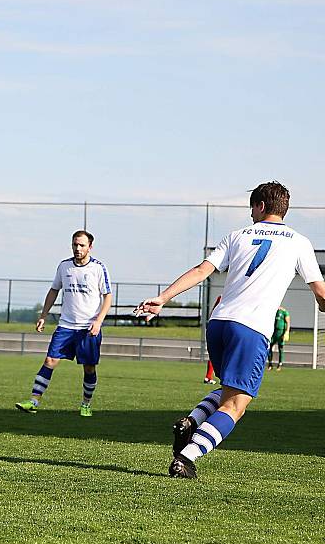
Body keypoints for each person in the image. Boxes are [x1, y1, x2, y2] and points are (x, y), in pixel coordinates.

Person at [135, 181, 325, 479]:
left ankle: (191, 421)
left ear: (260, 206)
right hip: (251, 329)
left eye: (252, 207)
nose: (251, 213)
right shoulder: (299, 242)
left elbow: (201, 271)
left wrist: (163, 298)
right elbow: (321, 293)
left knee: (227, 391)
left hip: (219, 323)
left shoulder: (237, 236)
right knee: (237, 404)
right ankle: (186, 457)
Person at [16, 230, 112, 417]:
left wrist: (99, 321)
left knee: (89, 367)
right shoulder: (64, 266)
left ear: (90, 247)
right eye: (75, 244)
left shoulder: (98, 268)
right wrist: (44, 315)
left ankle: (86, 404)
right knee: (50, 360)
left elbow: (107, 296)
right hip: (66, 326)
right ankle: (34, 400)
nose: (78, 248)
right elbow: (54, 290)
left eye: (82, 245)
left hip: (88, 327)